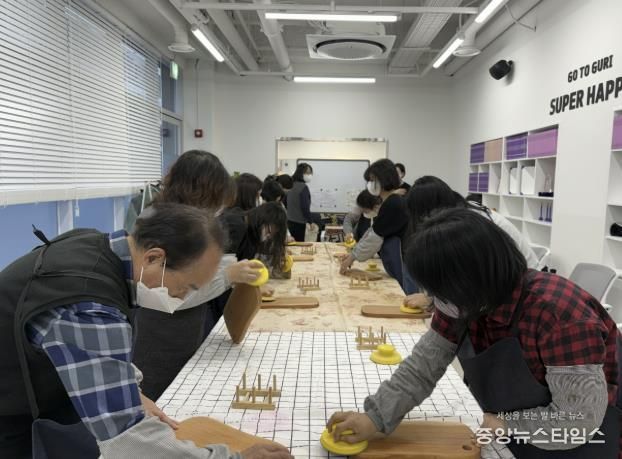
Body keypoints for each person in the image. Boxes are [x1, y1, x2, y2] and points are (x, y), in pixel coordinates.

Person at [0, 203, 293, 459]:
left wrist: (128, 390)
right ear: (154, 258)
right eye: (187, 286)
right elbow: (129, 443)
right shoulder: (89, 304)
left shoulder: (97, 248)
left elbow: (79, 345)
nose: (181, 297)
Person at [328, 208, 622, 458]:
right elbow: (423, 366)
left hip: (580, 439)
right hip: (513, 433)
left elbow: (577, 421)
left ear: (473, 279)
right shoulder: (463, 302)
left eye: (441, 292)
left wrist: (508, 424)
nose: (436, 302)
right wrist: (376, 416)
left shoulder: (559, 316)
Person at [132, 151, 266, 400]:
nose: (218, 210)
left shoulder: (185, 222)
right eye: (216, 201)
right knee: (161, 400)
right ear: (199, 192)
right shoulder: (159, 224)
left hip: (186, 331)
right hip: (159, 341)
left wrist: (232, 270)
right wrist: (227, 276)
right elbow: (166, 295)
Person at [403, 175, 539, 308]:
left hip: (521, 284)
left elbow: (475, 278)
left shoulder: (468, 225)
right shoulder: (458, 216)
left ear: (432, 210)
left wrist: (432, 300)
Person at [340, 159, 409, 290]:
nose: (370, 184)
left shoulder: (393, 203)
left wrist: (352, 257)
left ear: (384, 179)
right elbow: (373, 231)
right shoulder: (390, 201)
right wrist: (353, 254)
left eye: (372, 180)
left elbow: (375, 237)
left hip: (404, 263)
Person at [287, 163, 317, 241]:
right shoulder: (303, 187)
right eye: (307, 172)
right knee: (299, 245)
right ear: (300, 173)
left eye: (311, 173)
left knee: (292, 244)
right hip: (299, 224)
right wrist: (311, 221)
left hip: (289, 221)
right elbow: (305, 207)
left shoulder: (290, 185)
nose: (310, 175)